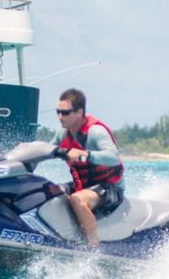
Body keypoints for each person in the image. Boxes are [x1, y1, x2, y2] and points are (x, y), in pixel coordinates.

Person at [49, 88, 125, 249]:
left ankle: (93, 247)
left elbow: (114, 157)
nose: (60, 117)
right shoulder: (62, 134)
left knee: (77, 199)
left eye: (65, 112)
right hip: (82, 185)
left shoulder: (96, 132)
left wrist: (86, 155)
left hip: (109, 188)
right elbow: (47, 150)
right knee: (48, 190)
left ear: (79, 112)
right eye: (58, 112)